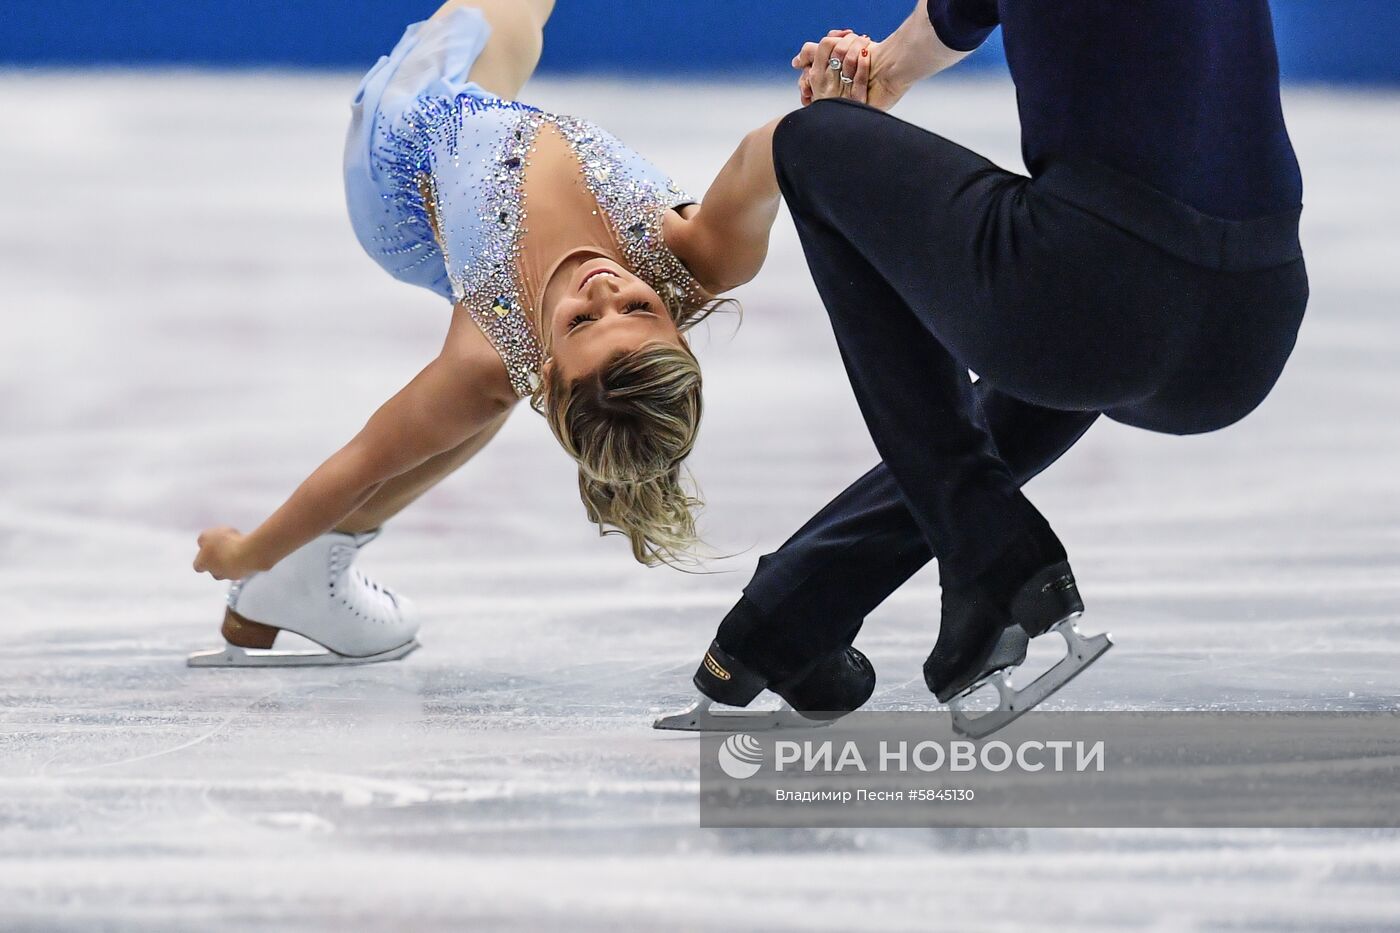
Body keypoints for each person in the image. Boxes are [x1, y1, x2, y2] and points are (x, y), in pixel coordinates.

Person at [660, 0, 1309, 735]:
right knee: (1086, 303)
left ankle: (989, 552)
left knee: (812, 146)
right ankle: (797, 604)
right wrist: (879, 74)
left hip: (1106, 295)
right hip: (1250, 327)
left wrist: (860, 95)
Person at [188, 0, 788, 665]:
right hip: (484, 136)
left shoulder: (490, 353)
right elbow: (773, 149)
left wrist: (245, 552)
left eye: (582, 321)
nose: (604, 290)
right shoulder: (706, 254)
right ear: (678, 328)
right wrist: (845, 91)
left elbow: (362, 462)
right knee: (486, 394)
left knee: (480, 387)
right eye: (640, 309)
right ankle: (303, 578)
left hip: (399, 164)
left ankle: (283, 572)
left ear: (552, 366)